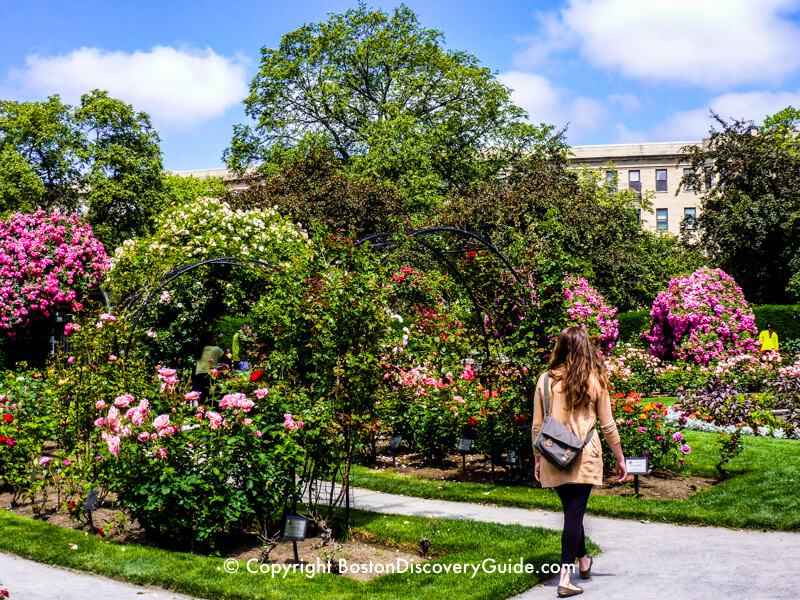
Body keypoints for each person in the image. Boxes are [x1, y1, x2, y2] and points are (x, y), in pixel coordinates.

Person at [531, 327, 627, 598]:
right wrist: (620, 458)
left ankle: (583, 561)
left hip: (552, 456)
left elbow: (537, 426)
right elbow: (607, 425)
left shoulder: (545, 380)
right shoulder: (594, 379)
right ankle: (565, 578)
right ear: (586, 348)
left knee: (573, 512)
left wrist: (538, 458)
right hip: (585, 456)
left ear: (560, 347)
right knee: (574, 514)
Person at [191, 333, 225, 402]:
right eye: (214, 337)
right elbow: (227, 360)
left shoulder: (199, 349)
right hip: (210, 376)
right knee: (211, 399)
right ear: (209, 340)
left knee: (198, 399)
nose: (216, 339)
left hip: (199, 376)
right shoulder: (216, 349)